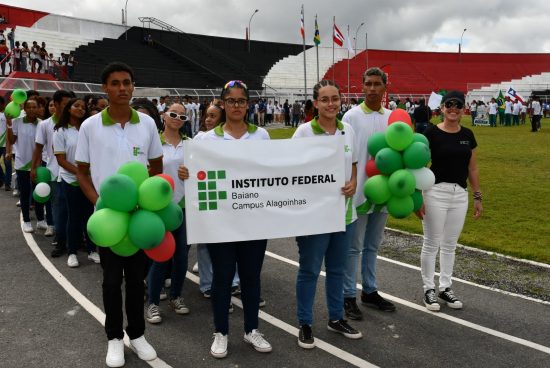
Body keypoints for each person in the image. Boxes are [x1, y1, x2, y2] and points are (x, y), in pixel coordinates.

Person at [75, 62, 161, 367]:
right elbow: (82, 173)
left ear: (133, 86)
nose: (122, 88)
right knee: (111, 281)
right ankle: (114, 337)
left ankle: (137, 334)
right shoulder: (90, 126)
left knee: (137, 280)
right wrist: (98, 203)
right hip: (109, 219)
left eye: (127, 82)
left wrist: (150, 204)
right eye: (115, 83)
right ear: (104, 88)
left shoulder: (148, 125)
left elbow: (157, 168)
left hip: (139, 217)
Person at [201, 80, 272, 359]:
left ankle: (251, 329)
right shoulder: (207, 139)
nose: (236, 106)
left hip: (254, 220)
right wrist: (187, 173)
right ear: (222, 103)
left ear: (248, 104)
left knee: (252, 278)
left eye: (241, 101)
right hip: (222, 223)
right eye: (231, 101)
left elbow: (271, 174)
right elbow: (198, 174)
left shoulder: (262, 136)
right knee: (221, 279)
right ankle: (221, 332)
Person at [292, 80, 362, 349]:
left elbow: (353, 164)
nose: (331, 104)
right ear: (316, 103)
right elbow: (291, 172)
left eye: (335, 98)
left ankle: (336, 318)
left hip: (345, 215)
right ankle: (305, 323)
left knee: (337, 270)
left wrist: (354, 182)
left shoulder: (348, 130)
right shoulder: (303, 133)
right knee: (309, 270)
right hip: (314, 216)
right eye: (325, 99)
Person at [416, 90, 483, 311]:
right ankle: (429, 289)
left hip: (459, 194)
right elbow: (418, 165)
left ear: (464, 110)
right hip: (435, 192)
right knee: (431, 242)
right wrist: (418, 197)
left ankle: (445, 287)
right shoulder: (430, 133)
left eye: (458, 105)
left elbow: (472, 167)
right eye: (449, 105)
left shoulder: (468, 134)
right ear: (442, 108)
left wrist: (477, 195)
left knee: (450, 245)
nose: (454, 109)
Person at [342, 67, 396, 321]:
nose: (372, 88)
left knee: (373, 246)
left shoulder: (392, 118)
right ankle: (348, 295)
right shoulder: (351, 116)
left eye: (377, 84)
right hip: (359, 191)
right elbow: (344, 153)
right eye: (368, 84)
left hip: (384, 192)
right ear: (362, 87)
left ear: (385, 87)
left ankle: (370, 291)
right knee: (354, 247)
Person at [145, 102, 191, 324]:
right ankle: (152, 302)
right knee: (160, 257)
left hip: (182, 207)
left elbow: (201, 172)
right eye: (173, 114)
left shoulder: (190, 145)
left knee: (181, 257)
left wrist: (190, 173)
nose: (177, 118)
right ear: (164, 116)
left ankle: (176, 296)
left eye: (182, 116)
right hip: (160, 207)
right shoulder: (154, 143)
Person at [53, 98, 100, 267]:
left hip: (89, 180)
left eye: (83, 107)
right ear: (68, 109)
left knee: (89, 215)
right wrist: (81, 173)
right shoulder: (60, 131)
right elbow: (61, 160)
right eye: (76, 106)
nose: (80, 109)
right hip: (71, 179)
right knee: (74, 216)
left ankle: (92, 250)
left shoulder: (89, 129)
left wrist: (91, 174)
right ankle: (72, 252)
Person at [32, 89, 73, 255]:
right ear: (55, 105)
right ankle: (60, 241)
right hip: (55, 173)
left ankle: (74, 241)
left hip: (75, 174)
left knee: (74, 209)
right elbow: (38, 148)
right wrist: (34, 168)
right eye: (65, 105)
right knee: (58, 208)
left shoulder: (78, 124)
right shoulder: (45, 125)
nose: (69, 108)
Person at [6, 98, 48, 233]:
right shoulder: (17, 122)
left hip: (37, 163)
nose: (31, 109)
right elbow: (12, 140)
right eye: (28, 107)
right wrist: (9, 124)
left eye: (34, 107)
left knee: (39, 193)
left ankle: (41, 220)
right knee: (25, 193)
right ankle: (27, 221)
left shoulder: (42, 124)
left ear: (38, 108)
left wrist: (38, 164)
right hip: (22, 163)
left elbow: (42, 146)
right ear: (24, 109)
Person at [0, 96, 12, 191]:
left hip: (6, 144)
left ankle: (7, 184)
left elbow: (10, 128)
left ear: (2, 104)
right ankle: (3, 179)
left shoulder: (7, 114)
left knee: (7, 164)